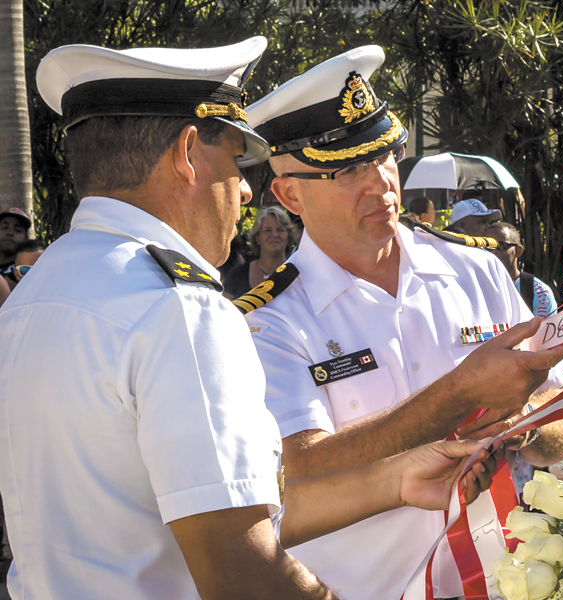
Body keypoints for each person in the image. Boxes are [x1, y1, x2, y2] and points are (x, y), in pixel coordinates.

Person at [0, 38, 501, 600]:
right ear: (189, 153)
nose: (243, 188)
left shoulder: (31, 297)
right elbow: (243, 566)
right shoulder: (177, 308)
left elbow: (205, 505)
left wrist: (394, 480)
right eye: (236, 160)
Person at [243, 45, 563, 600]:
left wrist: (520, 423)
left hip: (504, 583)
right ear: (289, 193)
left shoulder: (476, 270)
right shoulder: (269, 323)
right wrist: (461, 393)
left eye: (383, 156)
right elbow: (300, 470)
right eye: (348, 169)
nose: (380, 184)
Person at [487, 222, 558, 319]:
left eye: (501, 246)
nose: (493, 252)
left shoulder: (537, 292)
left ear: (518, 251)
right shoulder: (474, 285)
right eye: (487, 247)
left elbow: (546, 331)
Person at [224, 206, 296, 299]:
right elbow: (224, 311)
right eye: (268, 230)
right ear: (257, 238)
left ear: (288, 237)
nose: (274, 235)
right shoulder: (238, 274)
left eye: (280, 230)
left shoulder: (297, 276)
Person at [0, 209, 29, 280]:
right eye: (5, 227)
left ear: (25, 238)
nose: (10, 233)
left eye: (17, 230)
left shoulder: (26, 272)